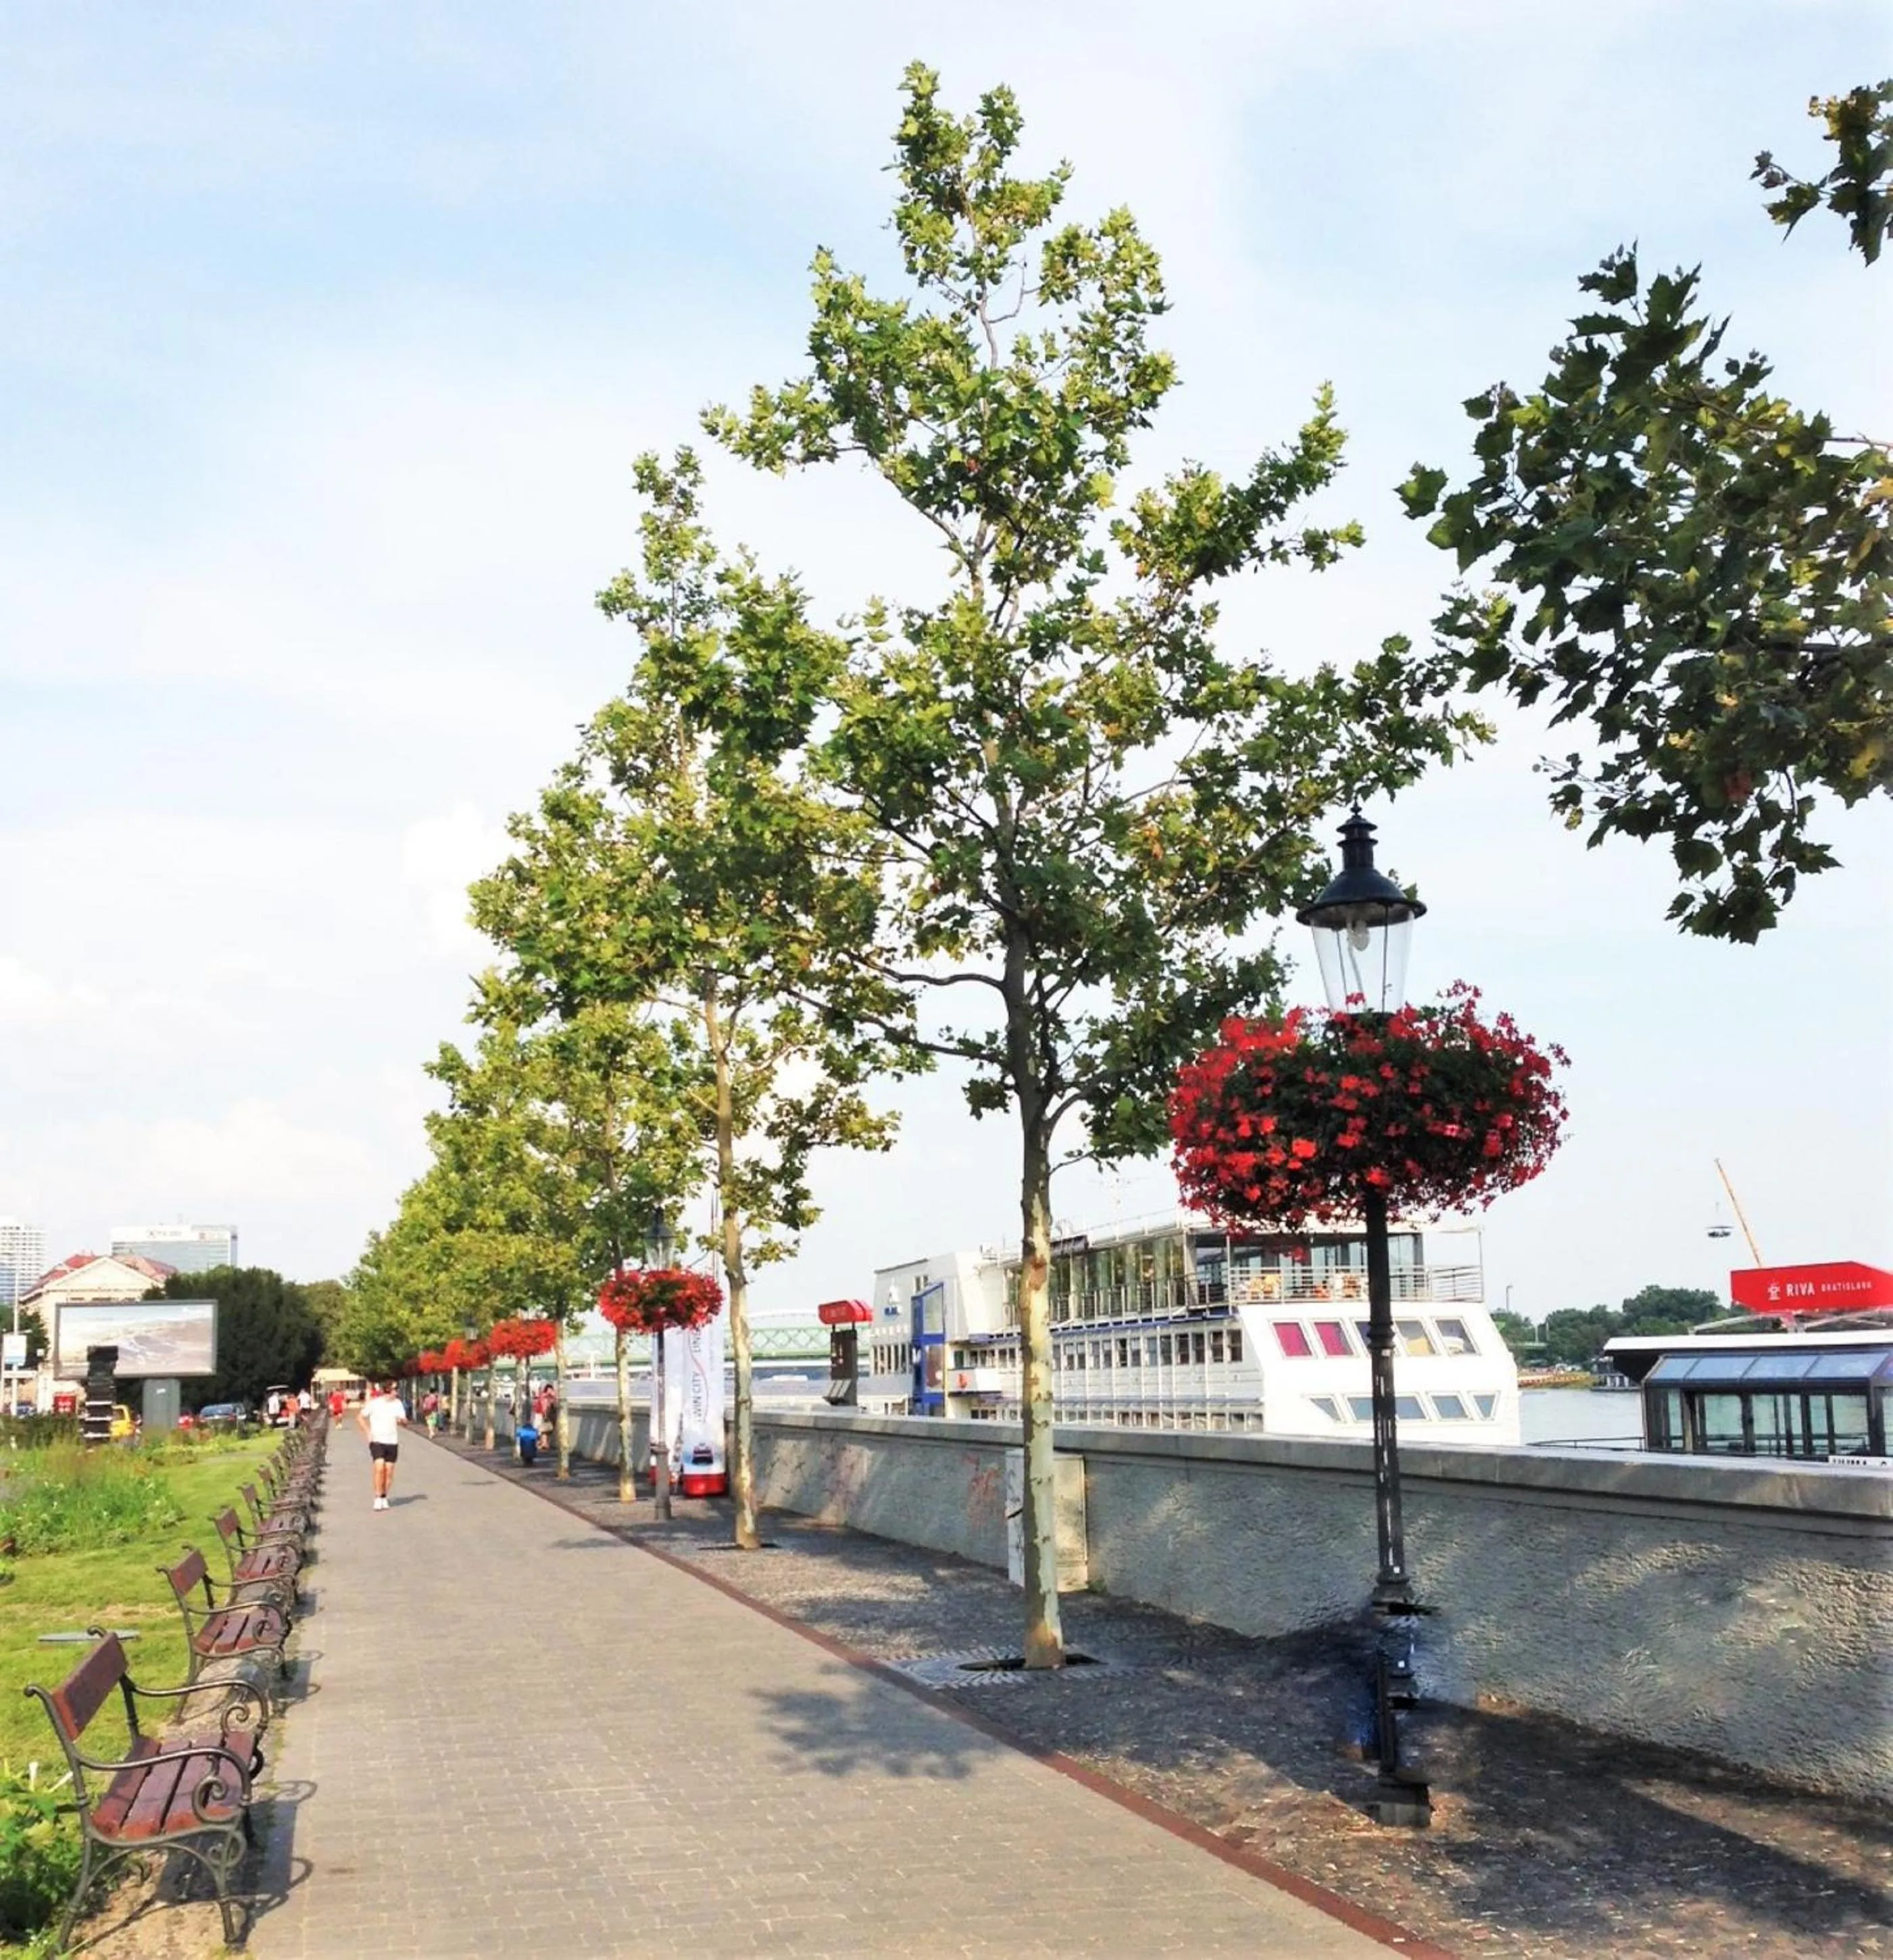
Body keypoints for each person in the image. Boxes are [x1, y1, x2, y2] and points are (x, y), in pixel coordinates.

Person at [356, 1381, 409, 1510]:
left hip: (392, 1441)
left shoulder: (398, 1404)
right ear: (388, 1390)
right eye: (395, 1389)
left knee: (389, 1471)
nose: (397, 1391)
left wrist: (403, 1421)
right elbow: (360, 1417)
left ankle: (384, 1496)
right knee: (379, 1467)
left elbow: (405, 1422)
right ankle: (378, 1497)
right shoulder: (375, 1403)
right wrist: (368, 1432)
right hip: (377, 1440)